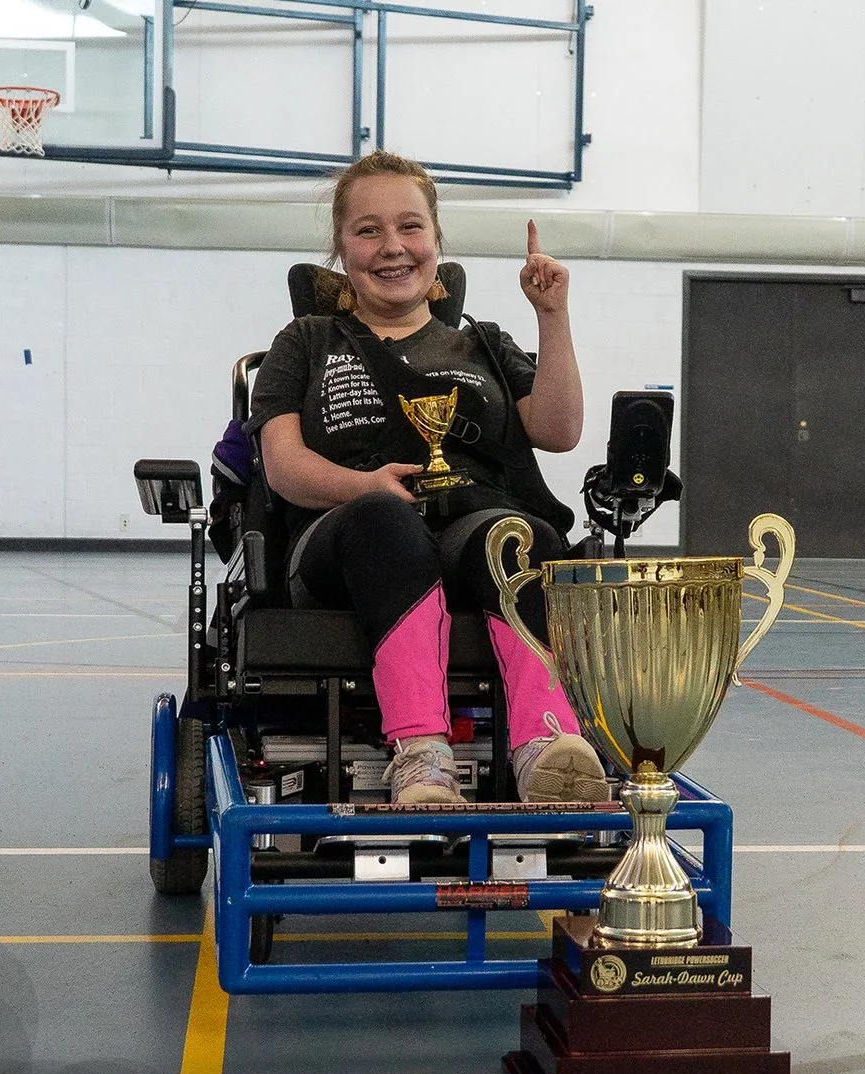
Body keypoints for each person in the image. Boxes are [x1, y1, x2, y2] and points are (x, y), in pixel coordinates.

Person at [248, 150, 612, 809]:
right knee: (385, 522)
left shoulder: (484, 344)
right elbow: (282, 466)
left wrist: (552, 315)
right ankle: (422, 757)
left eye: (410, 227)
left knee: (515, 534)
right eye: (368, 230)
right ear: (342, 248)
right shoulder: (304, 342)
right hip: (343, 540)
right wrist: (362, 487)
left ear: (436, 242)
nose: (392, 248)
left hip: (467, 532)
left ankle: (547, 745)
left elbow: (559, 430)